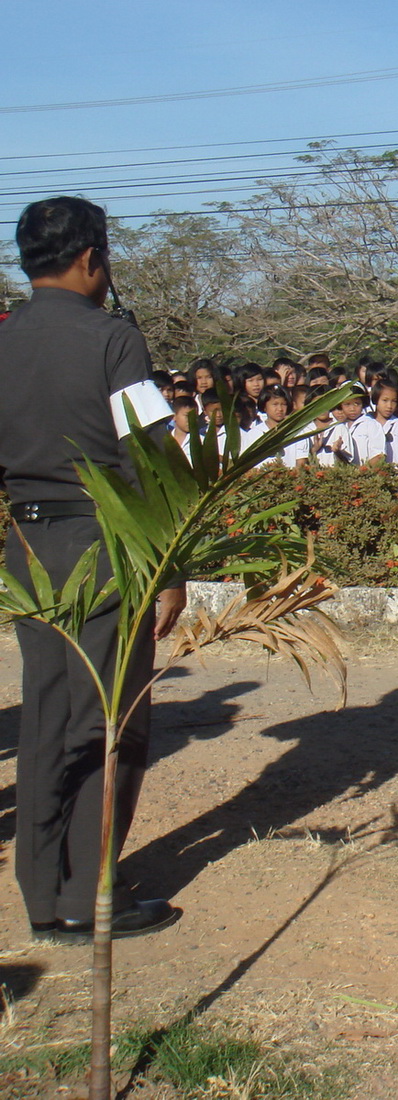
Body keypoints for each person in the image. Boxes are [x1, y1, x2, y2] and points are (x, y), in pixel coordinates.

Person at [0, 197, 186, 943]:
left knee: (47, 712)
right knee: (111, 716)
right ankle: (90, 892)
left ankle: (42, 890)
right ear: (90, 258)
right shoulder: (113, 338)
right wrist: (171, 563)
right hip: (106, 543)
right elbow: (148, 455)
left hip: (28, 546)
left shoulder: (4, 339)